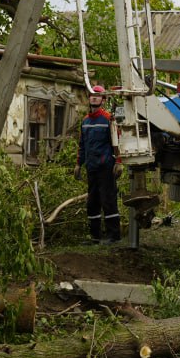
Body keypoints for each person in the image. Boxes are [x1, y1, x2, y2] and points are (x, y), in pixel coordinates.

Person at [77, 85, 121, 244]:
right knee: (92, 202)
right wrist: (78, 164)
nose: (94, 98)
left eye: (98, 96)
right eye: (92, 95)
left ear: (103, 100)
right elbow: (82, 144)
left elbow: (117, 143)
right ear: (89, 99)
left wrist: (119, 162)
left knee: (108, 200)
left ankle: (113, 235)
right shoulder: (85, 121)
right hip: (91, 167)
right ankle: (95, 236)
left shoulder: (109, 119)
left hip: (105, 167)